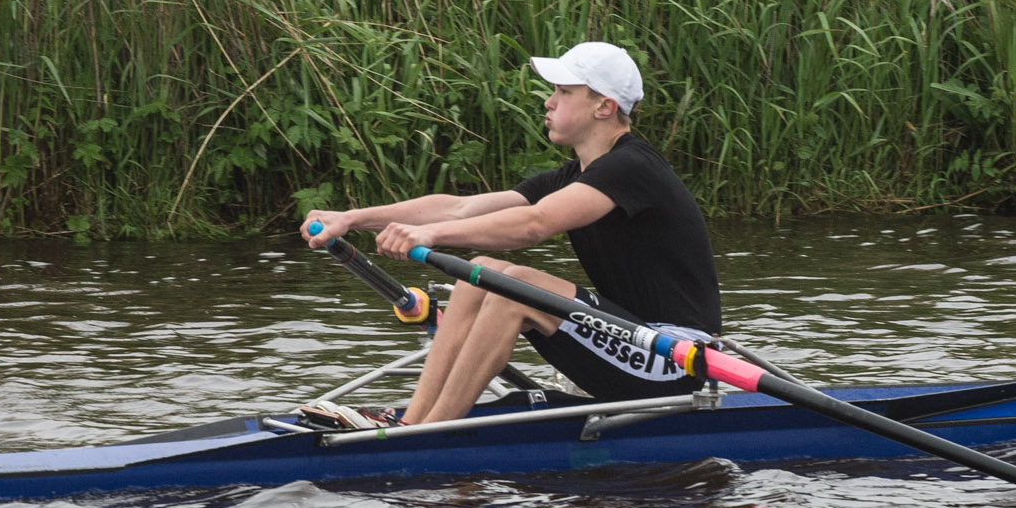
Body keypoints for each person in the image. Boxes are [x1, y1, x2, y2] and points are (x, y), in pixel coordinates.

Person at [300, 41, 721, 426]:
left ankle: (428, 433)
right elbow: (460, 206)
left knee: (512, 286)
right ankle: (415, 418)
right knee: (479, 270)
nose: (548, 101)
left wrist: (430, 234)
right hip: (628, 345)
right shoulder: (575, 174)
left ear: (604, 107)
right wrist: (351, 218)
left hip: (674, 357)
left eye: (564, 92)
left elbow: (534, 225)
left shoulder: (632, 167)